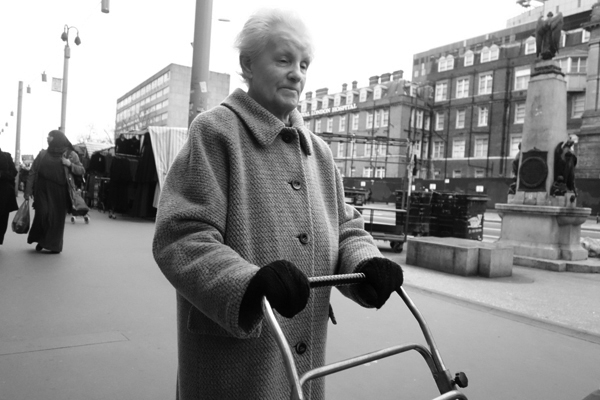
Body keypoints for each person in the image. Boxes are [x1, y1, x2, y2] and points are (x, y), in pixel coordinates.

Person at [152, 8, 404, 400]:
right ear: (247, 64)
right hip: (232, 363)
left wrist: (364, 263)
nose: (297, 74)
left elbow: (347, 228)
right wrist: (247, 284)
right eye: (284, 60)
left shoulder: (318, 152)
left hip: (302, 363)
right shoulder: (216, 133)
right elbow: (180, 236)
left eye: (304, 64)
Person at [24, 130, 85, 253]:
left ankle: (52, 244)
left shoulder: (70, 154)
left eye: (50, 137)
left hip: (60, 192)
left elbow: (82, 170)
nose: (47, 138)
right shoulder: (42, 154)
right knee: (43, 213)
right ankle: (41, 239)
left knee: (56, 219)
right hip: (42, 189)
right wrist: (27, 191)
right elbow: (33, 172)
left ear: (57, 139)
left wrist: (69, 164)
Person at [0, 148, 18, 245]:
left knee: (2, 218)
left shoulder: (6, 156)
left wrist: (1, 174)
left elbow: (14, 172)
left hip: (4, 195)